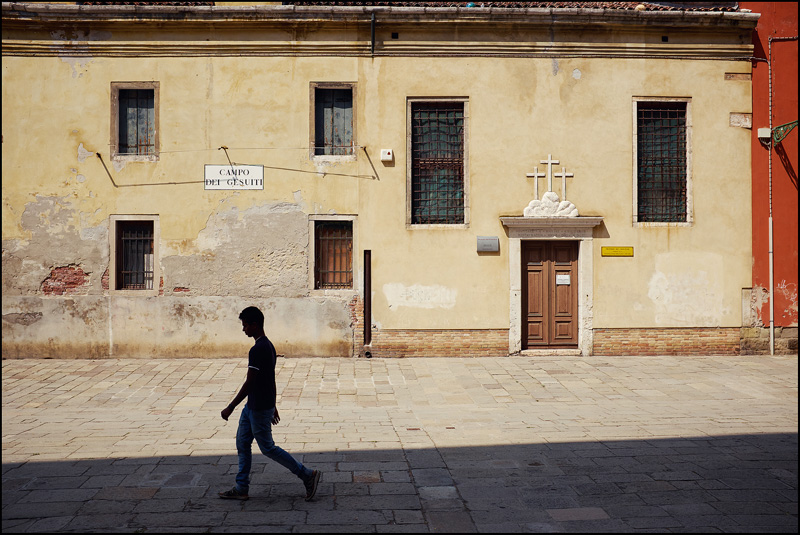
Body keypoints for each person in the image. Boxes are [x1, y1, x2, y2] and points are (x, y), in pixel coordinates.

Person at [218, 306, 320, 501]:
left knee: (268, 448)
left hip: (258, 408)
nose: (243, 329)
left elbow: (250, 382)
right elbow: (269, 379)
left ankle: (307, 475)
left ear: (255, 325)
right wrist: (274, 405)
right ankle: (241, 487)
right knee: (242, 442)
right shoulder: (268, 345)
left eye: (245, 325)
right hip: (253, 406)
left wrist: (230, 407)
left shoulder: (258, 349)